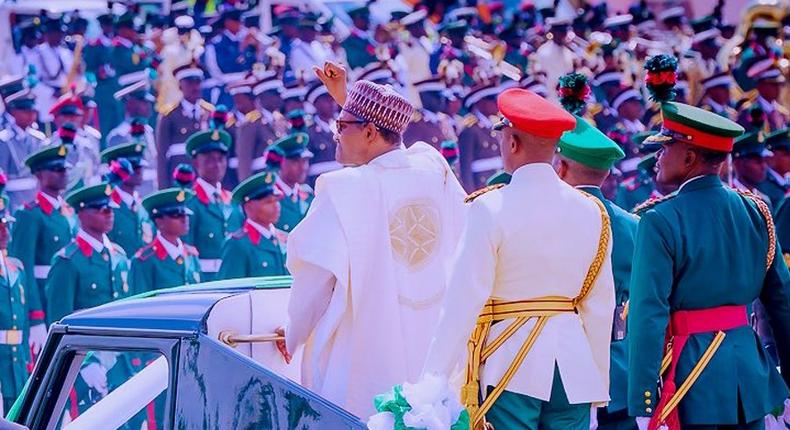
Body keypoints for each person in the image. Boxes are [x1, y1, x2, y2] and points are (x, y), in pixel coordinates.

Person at [278, 62, 467, 418]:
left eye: (342, 126)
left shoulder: (345, 189)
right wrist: (350, 101)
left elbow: (313, 282)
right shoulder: (432, 167)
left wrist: (292, 334)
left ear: (369, 134)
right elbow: (393, 143)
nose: (335, 134)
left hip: (366, 362)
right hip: (434, 370)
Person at [418, 88, 613, 430]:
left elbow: (462, 302)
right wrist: (596, 384)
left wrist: (432, 381)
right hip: (574, 367)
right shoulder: (592, 211)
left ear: (511, 144)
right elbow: (599, 307)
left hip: (510, 365)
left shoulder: (488, 208)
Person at [627, 101, 790, 430]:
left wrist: (644, 396)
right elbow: (781, 302)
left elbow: (648, 311)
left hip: (692, 376)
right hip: (749, 373)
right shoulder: (756, 210)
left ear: (689, 157)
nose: (658, 157)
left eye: (665, 148)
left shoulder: (660, 219)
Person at [553, 118, 637, 430]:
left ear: (560, 166)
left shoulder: (552, 220)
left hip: (563, 368)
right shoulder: (634, 225)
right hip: (620, 370)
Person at [9, 143, 75, 360]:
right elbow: (22, 266)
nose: (63, 173)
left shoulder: (68, 211)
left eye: (65, 169)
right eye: (56, 169)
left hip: (67, 298)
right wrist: (35, 317)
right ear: (39, 174)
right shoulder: (29, 214)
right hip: (43, 299)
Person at [45, 183, 130, 324]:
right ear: (82, 214)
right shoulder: (67, 260)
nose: (109, 214)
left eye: (110, 209)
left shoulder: (119, 255)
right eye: (102, 209)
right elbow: (60, 319)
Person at [182, 128, 243, 280]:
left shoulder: (232, 201)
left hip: (234, 279)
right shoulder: (189, 202)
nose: (216, 165)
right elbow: (186, 250)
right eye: (209, 159)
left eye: (221, 159)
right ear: (196, 162)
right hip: (205, 280)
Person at [129, 188, 201, 294]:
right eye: (177, 215)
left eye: (186, 214)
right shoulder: (145, 260)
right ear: (159, 221)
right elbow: (141, 303)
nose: (184, 219)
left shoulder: (191, 255)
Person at [218, 171, 288, 279]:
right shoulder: (238, 244)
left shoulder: (285, 239)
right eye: (269, 202)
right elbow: (230, 289)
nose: (276, 206)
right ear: (249, 207)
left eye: (277, 200)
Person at [156, 61, 212, 189]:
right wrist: (163, 187)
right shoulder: (169, 115)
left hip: (206, 178)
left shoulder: (210, 112)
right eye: (189, 83)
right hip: (179, 177)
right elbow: (162, 156)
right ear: (180, 86)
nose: (195, 87)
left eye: (198, 82)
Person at [0, 77, 47, 208]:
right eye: (26, 111)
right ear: (14, 111)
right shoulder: (4, 139)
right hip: (13, 199)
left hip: (36, 196)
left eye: (33, 111)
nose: (31, 115)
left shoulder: (38, 137)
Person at [101, 143, 154, 256]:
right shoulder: (106, 206)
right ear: (116, 169)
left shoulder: (143, 207)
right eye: (133, 167)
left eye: (140, 166)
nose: (139, 171)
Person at [0, 213, 30, 414]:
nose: (5, 232)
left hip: (16, 359)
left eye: (5, 226)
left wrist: (27, 358)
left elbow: (23, 320)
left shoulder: (16, 267)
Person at [458, 82, 506, 192]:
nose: (496, 103)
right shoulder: (470, 129)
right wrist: (471, 196)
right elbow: (465, 169)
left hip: (497, 186)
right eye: (492, 99)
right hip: (480, 187)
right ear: (480, 102)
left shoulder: (493, 126)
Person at [271, 133, 313, 237]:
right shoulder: (269, 196)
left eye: (305, 161)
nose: (303, 167)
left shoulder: (308, 194)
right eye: (296, 162)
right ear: (281, 163)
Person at [305, 81, 340, 183]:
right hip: (318, 183)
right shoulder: (308, 131)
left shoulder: (342, 126)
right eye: (327, 100)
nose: (332, 103)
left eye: (333, 99)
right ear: (316, 104)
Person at [731, 131, 773, 206]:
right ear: (737, 163)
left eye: (764, 161)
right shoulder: (729, 198)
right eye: (757, 161)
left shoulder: (764, 201)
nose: (763, 166)